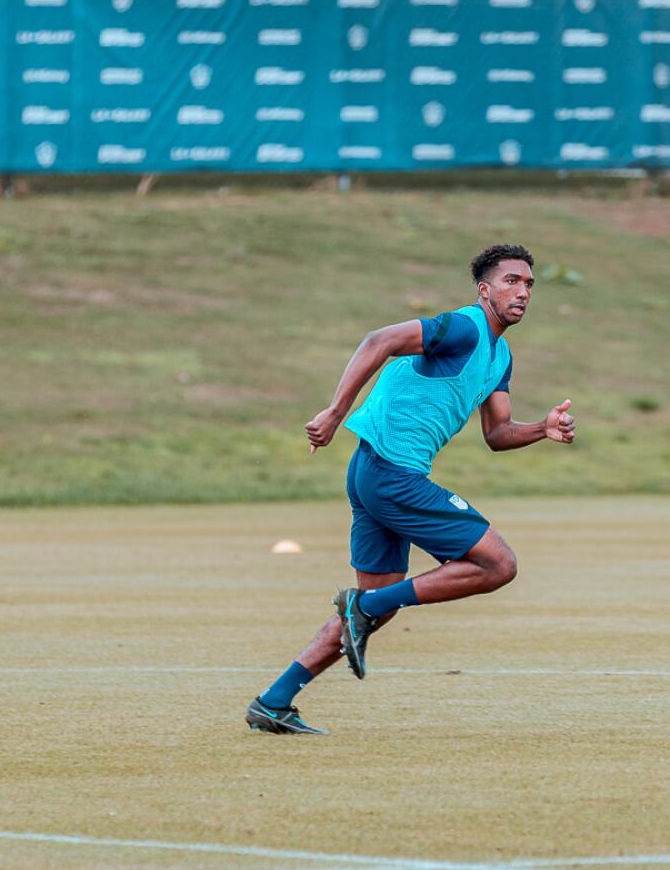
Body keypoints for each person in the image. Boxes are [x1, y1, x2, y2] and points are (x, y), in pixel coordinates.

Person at [246, 243, 575, 735]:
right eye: (511, 281)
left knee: (374, 606)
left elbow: (498, 434)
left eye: (529, 283)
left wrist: (542, 429)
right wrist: (335, 412)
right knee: (497, 564)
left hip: (374, 474)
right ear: (484, 290)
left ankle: (274, 702)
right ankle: (365, 606)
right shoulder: (464, 327)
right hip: (391, 474)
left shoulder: (499, 355)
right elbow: (379, 340)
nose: (522, 291)